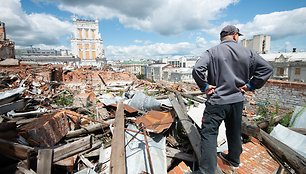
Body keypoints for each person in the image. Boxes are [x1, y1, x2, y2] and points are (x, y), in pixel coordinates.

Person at [192, 25, 273, 174]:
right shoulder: (248, 52)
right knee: (234, 130)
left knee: (209, 134)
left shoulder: (212, 52)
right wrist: (250, 85)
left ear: (222, 37)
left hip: (217, 101)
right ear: (235, 36)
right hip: (237, 101)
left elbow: (197, 69)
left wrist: (204, 86)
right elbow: (267, 69)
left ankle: (207, 171)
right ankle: (234, 159)